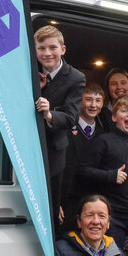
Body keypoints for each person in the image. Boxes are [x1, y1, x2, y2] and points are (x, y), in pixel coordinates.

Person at [79, 94, 128, 247]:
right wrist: (110, 176)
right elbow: (83, 171)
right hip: (112, 217)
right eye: (124, 111)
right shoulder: (103, 141)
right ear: (114, 117)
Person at [34, 25, 85, 225]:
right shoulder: (28, 69)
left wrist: (49, 114)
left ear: (62, 50)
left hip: (53, 153)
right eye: (41, 48)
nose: (47, 53)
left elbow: (71, 117)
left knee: (50, 209)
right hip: (27, 146)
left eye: (52, 48)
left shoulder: (76, 78)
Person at [59, 84, 106, 232]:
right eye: (89, 99)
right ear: (80, 101)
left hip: (94, 205)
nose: (93, 105)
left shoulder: (104, 134)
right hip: (67, 202)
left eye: (98, 100)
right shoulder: (65, 129)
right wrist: (56, 202)